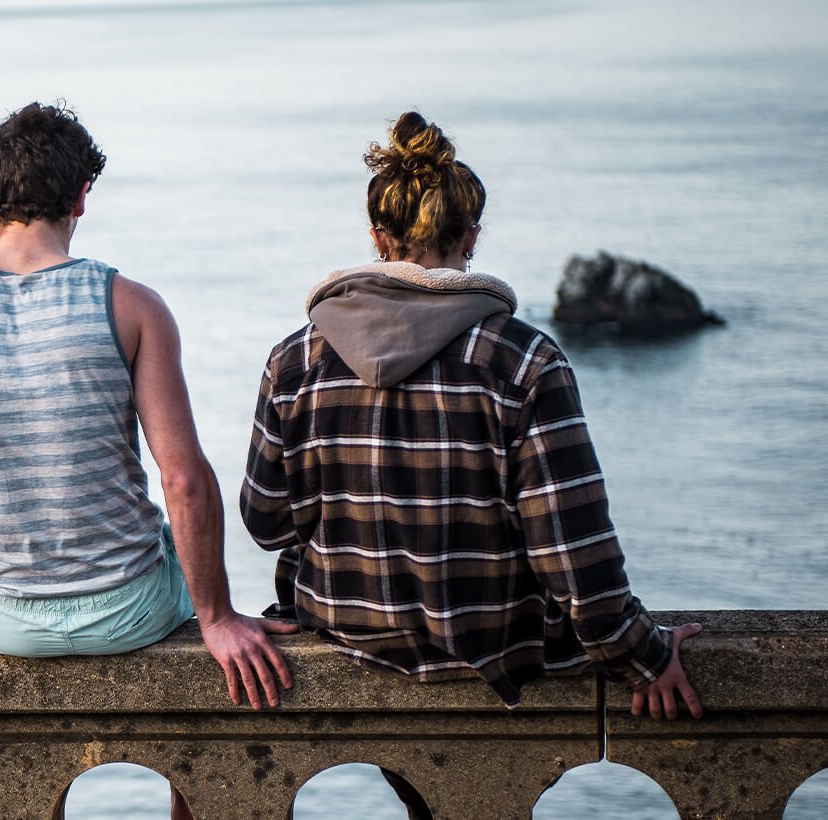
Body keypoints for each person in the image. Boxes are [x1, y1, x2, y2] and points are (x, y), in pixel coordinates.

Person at [240, 111, 703, 722]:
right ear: (471, 237)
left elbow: (266, 523)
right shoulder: (523, 360)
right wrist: (642, 653)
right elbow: (571, 548)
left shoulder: (296, 358)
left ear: (379, 238)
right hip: (499, 651)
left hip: (345, 638)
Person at [0, 102, 294, 706]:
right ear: (81, 198)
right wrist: (218, 618)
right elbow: (183, 479)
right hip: (133, 608)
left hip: (0, 621)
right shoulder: (131, 305)